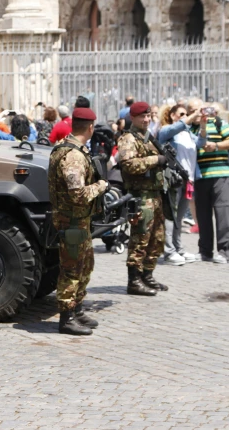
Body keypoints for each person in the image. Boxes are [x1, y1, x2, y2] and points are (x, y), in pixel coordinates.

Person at [48, 107, 108, 336]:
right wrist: (101, 186)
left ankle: (77, 309)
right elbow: (78, 194)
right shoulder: (72, 155)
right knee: (72, 269)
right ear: (90, 127)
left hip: (78, 220)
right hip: (71, 220)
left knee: (85, 265)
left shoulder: (69, 148)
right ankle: (66, 317)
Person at [116, 102, 167, 296]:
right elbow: (128, 164)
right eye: (142, 117)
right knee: (140, 239)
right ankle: (134, 280)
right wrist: (155, 160)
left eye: (148, 116)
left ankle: (147, 275)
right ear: (133, 118)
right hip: (140, 196)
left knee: (157, 238)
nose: (146, 120)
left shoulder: (148, 138)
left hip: (154, 194)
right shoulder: (128, 138)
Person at [157, 104, 205, 265]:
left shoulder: (188, 133)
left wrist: (203, 124)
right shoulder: (167, 130)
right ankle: (169, 252)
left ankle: (178, 248)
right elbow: (168, 132)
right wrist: (191, 116)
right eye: (181, 114)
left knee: (179, 217)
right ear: (172, 116)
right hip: (174, 179)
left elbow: (201, 142)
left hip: (188, 179)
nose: (185, 116)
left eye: (186, 114)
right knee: (170, 215)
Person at [188, 98, 229, 263]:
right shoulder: (191, 128)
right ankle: (205, 251)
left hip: (220, 173)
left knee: (223, 213)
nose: (198, 113)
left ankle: (225, 251)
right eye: (192, 110)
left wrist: (216, 146)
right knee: (203, 214)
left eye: (200, 109)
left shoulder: (220, 123)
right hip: (200, 175)